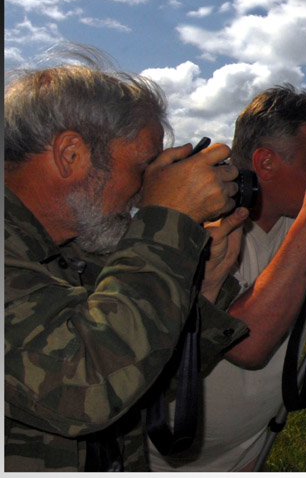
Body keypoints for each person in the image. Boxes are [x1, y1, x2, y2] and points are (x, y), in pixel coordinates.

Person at [4, 44, 250, 471]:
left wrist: (201, 286)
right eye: (142, 169)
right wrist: (167, 222)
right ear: (71, 155)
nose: (143, 193)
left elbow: (138, 382)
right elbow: (83, 392)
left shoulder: (81, 251)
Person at [148, 83, 306, 471]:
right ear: (265, 162)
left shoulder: (302, 227)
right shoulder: (201, 228)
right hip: (160, 458)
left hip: (246, 456)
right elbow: (248, 346)